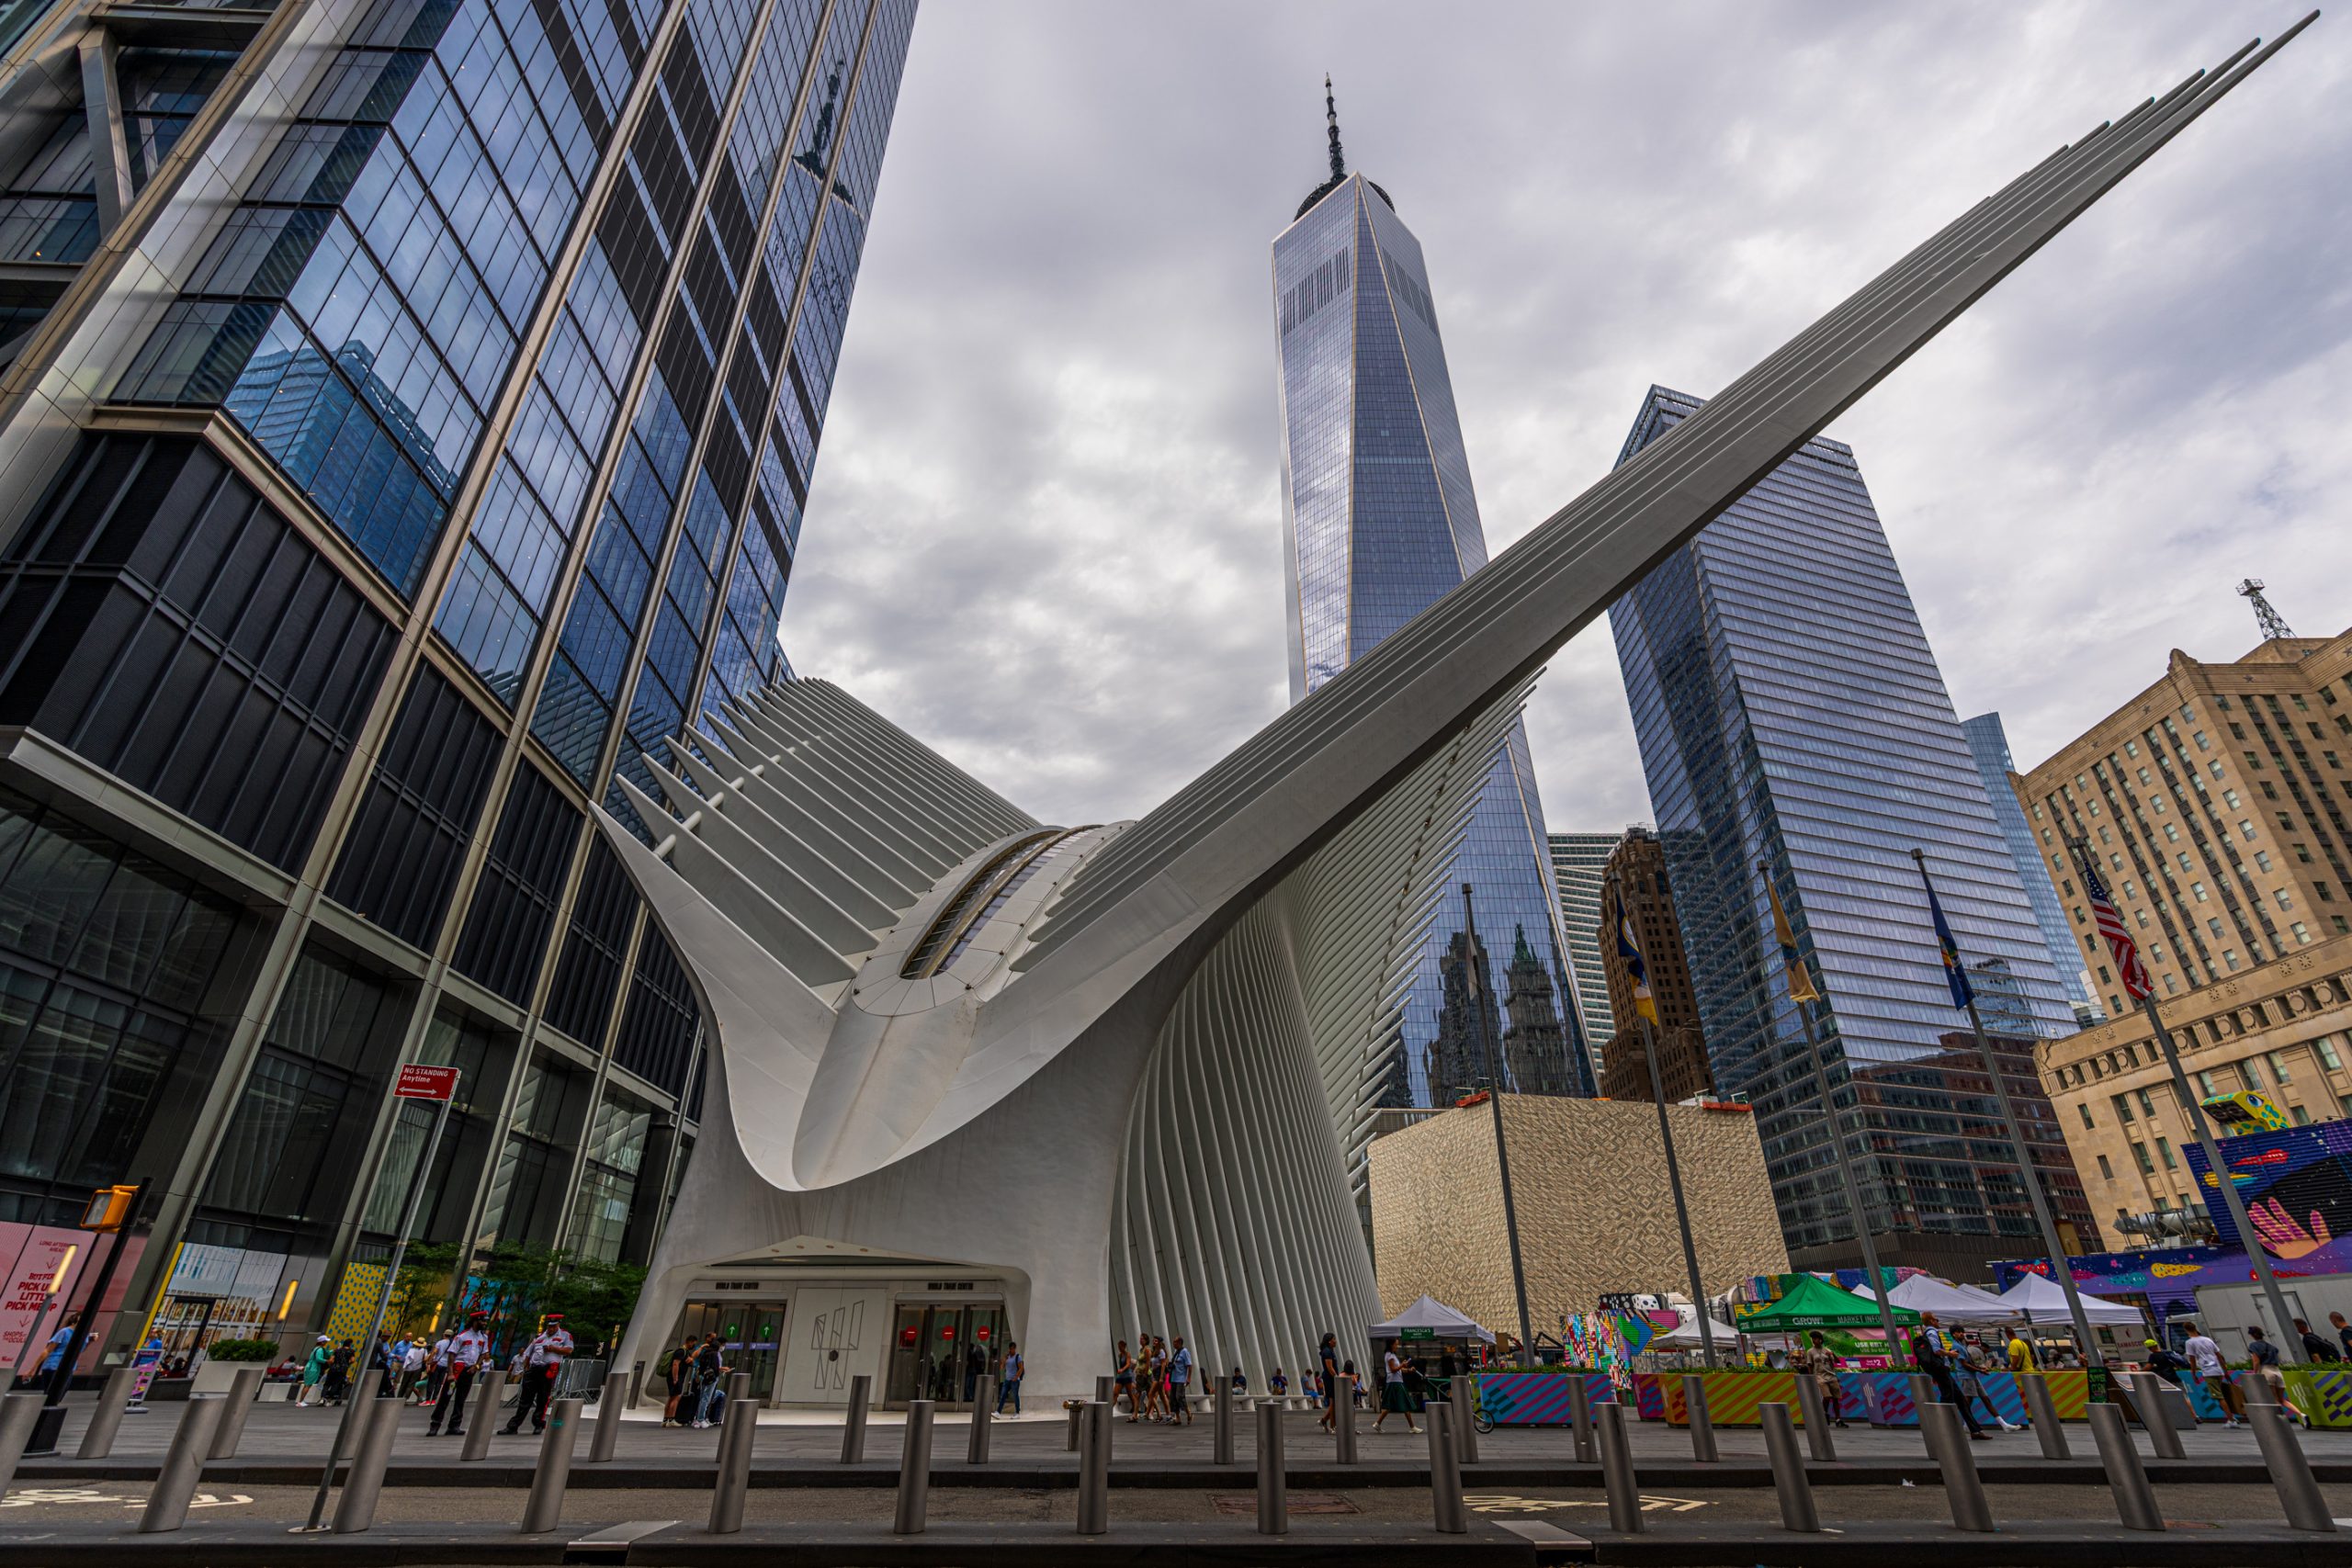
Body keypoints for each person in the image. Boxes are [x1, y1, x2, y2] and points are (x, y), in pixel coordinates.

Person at [1908, 1314, 1986, 1440]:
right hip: (1941, 1369)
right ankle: (1941, 1428)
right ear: (1931, 1321)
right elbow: (1936, 1350)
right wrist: (1950, 1354)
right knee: (1947, 1398)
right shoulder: (1932, 1333)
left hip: (1941, 1370)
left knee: (1960, 1400)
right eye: (1936, 1319)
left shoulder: (1929, 1333)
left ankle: (1975, 1430)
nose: (1938, 1321)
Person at [501, 1313, 575, 1435]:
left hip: (549, 1369)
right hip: (534, 1369)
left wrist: (554, 1349)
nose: (551, 1329)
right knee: (525, 1398)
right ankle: (513, 1426)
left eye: (553, 1326)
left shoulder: (565, 1335)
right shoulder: (540, 1337)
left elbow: (569, 1350)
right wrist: (526, 1368)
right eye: (549, 1326)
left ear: (558, 1325)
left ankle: (538, 1423)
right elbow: (528, 1353)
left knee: (543, 1397)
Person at [429, 1312, 492, 1436]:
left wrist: (477, 1365)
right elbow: (452, 1354)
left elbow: (483, 1353)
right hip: (457, 1370)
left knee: (461, 1399)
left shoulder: (483, 1338)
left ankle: (454, 1425)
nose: (484, 1324)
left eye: (485, 1321)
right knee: (445, 1397)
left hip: (469, 1371)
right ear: (475, 1321)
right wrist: (451, 1373)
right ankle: (435, 1425)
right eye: (483, 1321)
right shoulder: (462, 1336)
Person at [2247, 1326, 2312, 1427]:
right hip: (2277, 1371)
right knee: (2282, 1400)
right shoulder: (2272, 1347)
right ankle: (2302, 1415)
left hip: (2266, 1371)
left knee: (2274, 1399)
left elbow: (2256, 1361)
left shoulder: (2253, 1346)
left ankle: (2281, 1423)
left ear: (2252, 1335)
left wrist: (2255, 1373)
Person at [2180, 1321, 2241, 1428]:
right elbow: (2219, 1356)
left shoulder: (2189, 1343)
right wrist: (2225, 1372)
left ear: (2186, 1330)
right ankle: (2231, 1416)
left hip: (2208, 1372)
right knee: (2223, 1394)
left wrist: (2193, 1374)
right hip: (2218, 1370)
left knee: (2219, 1396)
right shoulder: (2208, 1339)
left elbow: (2192, 1360)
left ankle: (2231, 1420)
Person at [1792, 1331, 1848, 1428]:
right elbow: (1810, 1365)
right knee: (1827, 1396)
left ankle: (1838, 1419)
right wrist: (1811, 1377)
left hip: (1832, 1376)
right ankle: (1824, 1413)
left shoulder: (1827, 1350)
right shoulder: (1810, 1352)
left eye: (1815, 1338)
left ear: (1820, 1339)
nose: (1814, 1340)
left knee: (1835, 1399)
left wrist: (1832, 1354)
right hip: (1820, 1376)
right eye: (1812, 1339)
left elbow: (1837, 1361)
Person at [1372, 1339, 1419, 1435]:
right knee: (1405, 1405)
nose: (1397, 1346)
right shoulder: (1389, 1356)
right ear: (1391, 1345)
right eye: (1396, 1344)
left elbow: (1398, 1370)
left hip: (1395, 1382)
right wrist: (1402, 1365)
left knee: (1389, 1406)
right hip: (1395, 1383)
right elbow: (1393, 1370)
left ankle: (1377, 1424)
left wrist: (1409, 1369)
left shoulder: (1392, 1355)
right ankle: (1412, 1427)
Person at [688, 1331, 726, 1428]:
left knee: (703, 1398)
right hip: (710, 1378)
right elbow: (713, 1367)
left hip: (703, 1377)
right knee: (704, 1398)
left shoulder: (707, 1353)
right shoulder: (711, 1353)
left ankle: (700, 1418)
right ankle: (699, 1419)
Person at [662, 1337, 696, 1427]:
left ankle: (666, 1420)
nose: (694, 1345)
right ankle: (671, 1419)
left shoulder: (685, 1352)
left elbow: (692, 1364)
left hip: (675, 1377)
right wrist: (675, 1378)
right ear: (689, 1342)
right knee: (676, 1397)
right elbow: (675, 1364)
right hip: (676, 1377)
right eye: (693, 1343)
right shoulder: (681, 1351)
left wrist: (692, 1359)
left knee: (671, 1397)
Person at [1316, 1333, 1340, 1433]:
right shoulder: (1327, 1352)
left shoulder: (1330, 1351)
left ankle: (1324, 1421)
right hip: (1330, 1379)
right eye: (1334, 1339)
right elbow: (1330, 1368)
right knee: (1333, 1403)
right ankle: (1332, 1426)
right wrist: (1337, 1378)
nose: (1336, 1341)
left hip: (1331, 1378)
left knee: (1334, 1403)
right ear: (1330, 1341)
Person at [297, 1335, 330, 1407]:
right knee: (308, 1385)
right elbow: (319, 1359)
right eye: (325, 1341)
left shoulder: (315, 1348)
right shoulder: (320, 1349)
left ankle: (301, 1401)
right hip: (313, 1368)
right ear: (322, 1342)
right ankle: (300, 1402)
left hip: (309, 1367)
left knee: (306, 1385)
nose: (326, 1342)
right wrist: (327, 1361)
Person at [1169, 1335, 1194, 1424]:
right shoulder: (1176, 1351)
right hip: (1173, 1378)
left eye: (1175, 1342)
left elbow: (1189, 1366)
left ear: (1179, 1343)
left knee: (1179, 1397)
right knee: (1173, 1398)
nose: (1173, 1343)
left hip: (1181, 1378)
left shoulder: (1185, 1352)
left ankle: (1189, 1413)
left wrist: (1188, 1378)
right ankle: (1178, 1417)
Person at [997, 1341, 1023, 1415]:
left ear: (1014, 1349)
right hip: (1007, 1380)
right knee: (1003, 1396)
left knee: (1015, 1396)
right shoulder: (1007, 1357)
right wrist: (1004, 1360)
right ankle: (998, 1412)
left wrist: (1016, 1377)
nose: (1010, 1350)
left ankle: (1017, 1412)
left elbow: (1021, 1368)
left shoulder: (1018, 1357)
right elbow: (1002, 1368)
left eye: (1012, 1349)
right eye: (1010, 1349)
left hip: (1014, 1380)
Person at [1114, 1339, 1136, 1420]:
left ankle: (1135, 1408)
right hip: (1121, 1376)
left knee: (1130, 1394)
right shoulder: (1120, 1355)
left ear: (1123, 1347)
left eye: (1120, 1347)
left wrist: (1122, 1369)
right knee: (1115, 1393)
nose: (1119, 1348)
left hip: (1127, 1375)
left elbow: (1128, 1364)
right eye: (1118, 1347)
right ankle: (1110, 1409)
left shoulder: (1127, 1354)